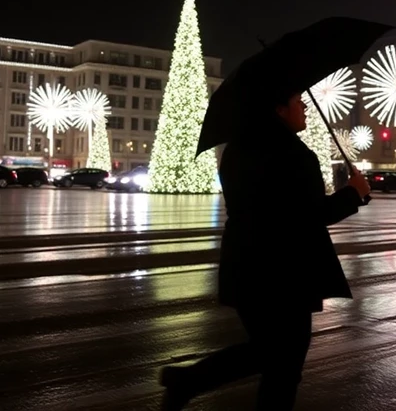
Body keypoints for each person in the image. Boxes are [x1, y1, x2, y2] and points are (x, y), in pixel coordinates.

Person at [158, 91, 371, 410]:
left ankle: (186, 381)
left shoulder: (236, 150)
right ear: (279, 108)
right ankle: (186, 380)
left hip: (244, 266)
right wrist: (353, 193)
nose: (306, 109)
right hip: (285, 272)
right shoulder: (294, 154)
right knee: (283, 363)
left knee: (269, 353)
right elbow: (310, 216)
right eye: (299, 102)